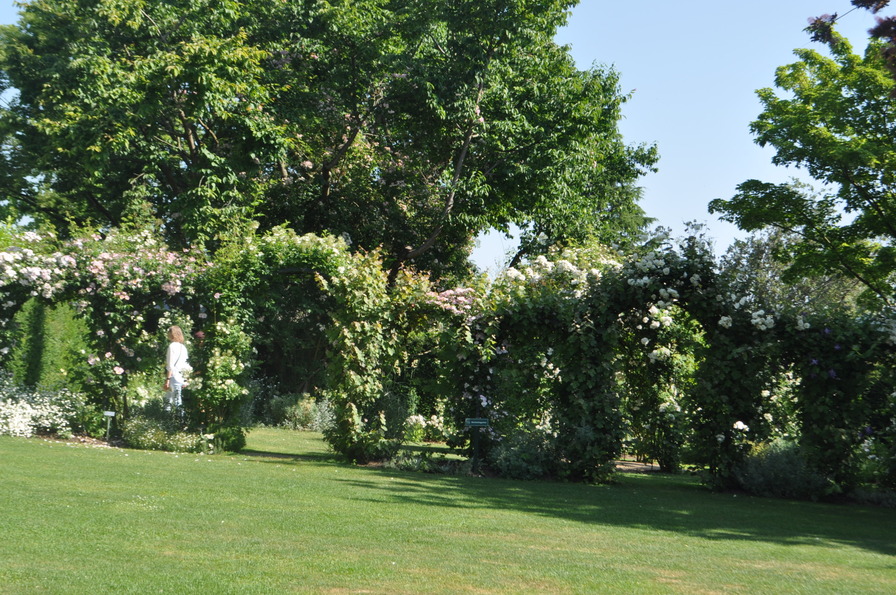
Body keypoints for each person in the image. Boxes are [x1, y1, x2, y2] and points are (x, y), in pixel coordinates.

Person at [164, 325, 190, 417]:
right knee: (177, 399)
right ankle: (179, 421)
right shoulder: (183, 347)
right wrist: (186, 380)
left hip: (174, 376)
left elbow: (170, 365)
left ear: (172, 334)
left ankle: (171, 421)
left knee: (170, 400)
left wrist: (167, 379)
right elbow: (186, 364)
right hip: (181, 376)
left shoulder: (171, 346)